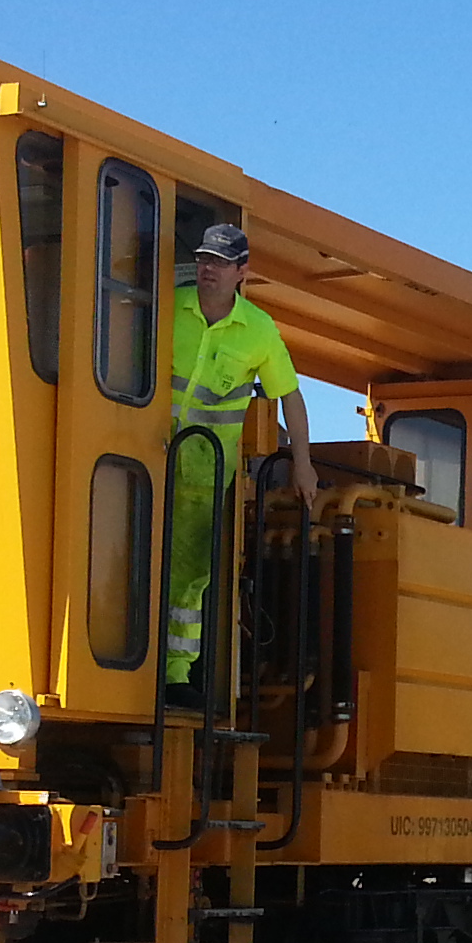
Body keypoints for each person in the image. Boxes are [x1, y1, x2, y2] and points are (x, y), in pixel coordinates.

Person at [164, 222, 312, 701]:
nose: (208, 268)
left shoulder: (259, 330)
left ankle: (175, 677)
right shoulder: (169, 308)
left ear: (242, 272)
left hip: (205, 476)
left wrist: (303, 464)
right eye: (205, 258)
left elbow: (290, 396)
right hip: (144, 459)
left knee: (188, 578)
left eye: (221, 262)